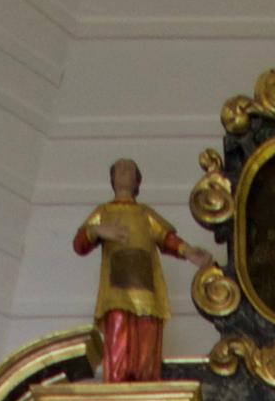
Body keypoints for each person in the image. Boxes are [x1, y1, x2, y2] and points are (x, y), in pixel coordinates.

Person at [73, 159, 212, 383]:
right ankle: (118, 386)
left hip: (146, 291)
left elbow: (166, 238)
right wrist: (97, 230)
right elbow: (79, 244)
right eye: (119, 169)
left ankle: (145, 383)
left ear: (137, 181)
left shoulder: (145, 213)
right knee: (118, 336)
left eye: (129, 169)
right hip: (117, 291)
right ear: (112, 179)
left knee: (147, 342)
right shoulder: (104, 211)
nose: (124, 171)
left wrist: (188, 252)